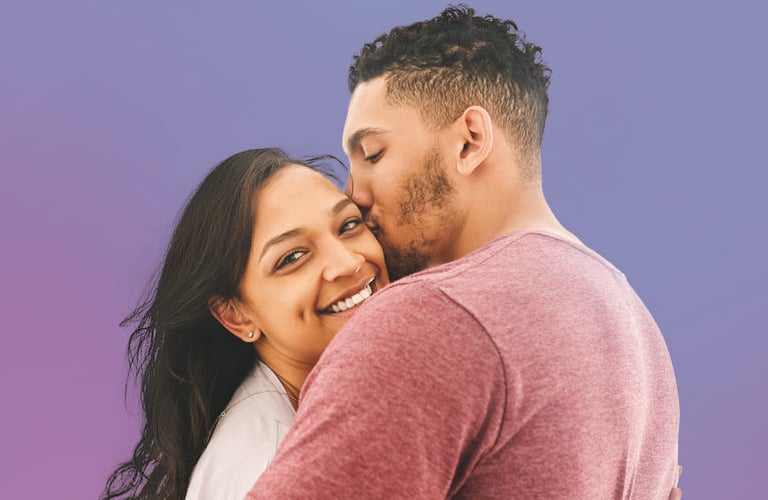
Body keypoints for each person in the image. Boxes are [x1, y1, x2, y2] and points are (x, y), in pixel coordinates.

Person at [248, 6, 681, 499]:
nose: (354, 193)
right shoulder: (636, 327)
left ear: (470, 142)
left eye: (372, 155)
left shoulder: (429, 317)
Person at [100, 148, 389, 500]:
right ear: (236, 315)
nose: (348, 262)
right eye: (293, 257)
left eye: (348, 225)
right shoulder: (268, 469)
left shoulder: (328, 417)